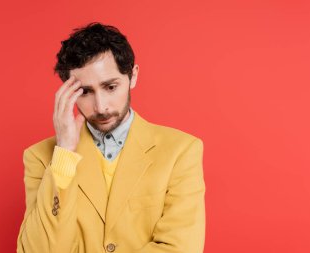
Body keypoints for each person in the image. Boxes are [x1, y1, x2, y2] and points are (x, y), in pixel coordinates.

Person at [16, 22, 206, 253]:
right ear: (66, 91)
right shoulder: (39, 157)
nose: (101, 107)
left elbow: (179, 247)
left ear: (132, 76)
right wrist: (64, 154)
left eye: (110, 87)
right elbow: (39, 250)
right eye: (85, 92)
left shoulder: (181, 150)